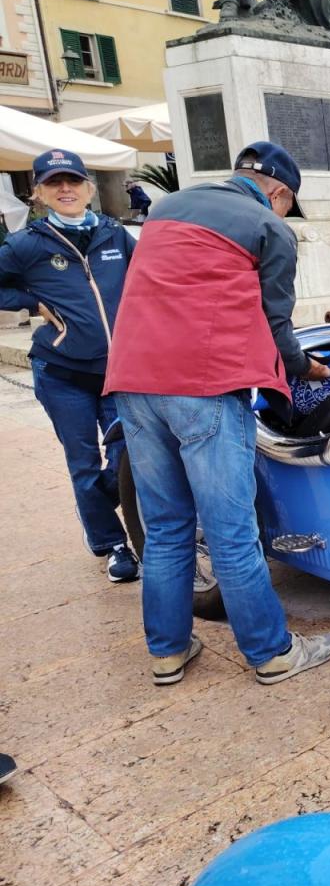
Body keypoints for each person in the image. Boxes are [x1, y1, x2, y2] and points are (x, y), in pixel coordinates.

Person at [104, 141, 330, 687]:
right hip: (205, 384)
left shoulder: (164, 209)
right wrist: (312, 371)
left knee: (164, 529)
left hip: (133, 381)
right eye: (287, 204)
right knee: (231, 531)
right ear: (278, 193)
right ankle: (271, 652)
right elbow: (277, 330)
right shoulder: (269, 226)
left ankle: (167, 651)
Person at [0, 149, 139, 584]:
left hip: (118, 372)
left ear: (90, 189)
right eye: (54, 183)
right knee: (82, 461)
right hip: (62, 374)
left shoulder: (115, 235)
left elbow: (151, 276)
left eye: (74, 181)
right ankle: (111, 543)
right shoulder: (26, 244)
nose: (66, 189)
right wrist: (32, 301)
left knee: (126, 456)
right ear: (38, 193)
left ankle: (102, 508)